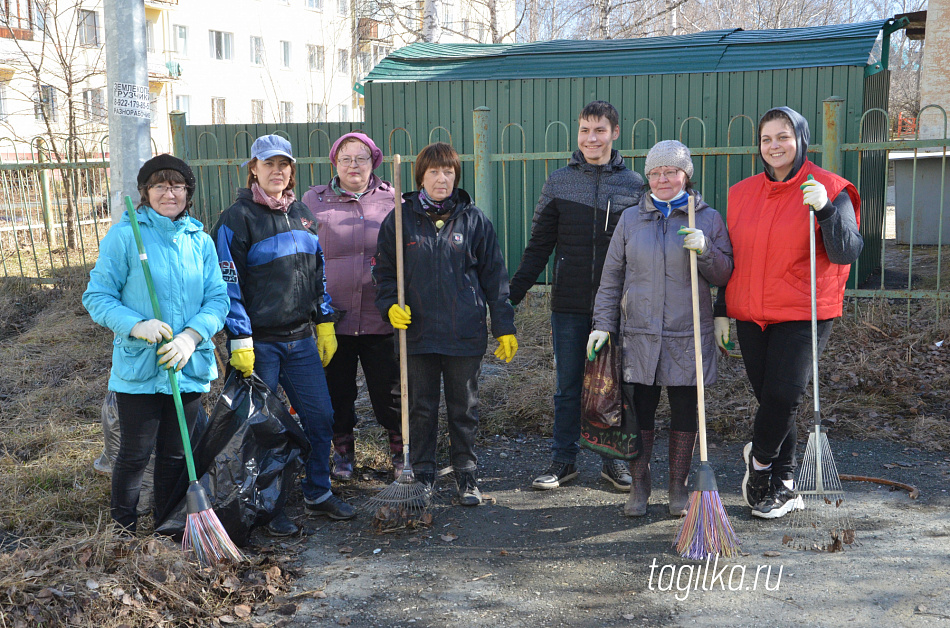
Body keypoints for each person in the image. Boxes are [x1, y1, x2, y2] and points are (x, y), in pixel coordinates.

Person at [716, 106, 862, 520]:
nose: (774, 146)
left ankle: (759, 465)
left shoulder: (830, 187)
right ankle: (784, 483)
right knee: (772, 403)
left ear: (800, 138)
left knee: (784, 395)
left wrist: (826, 211)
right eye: (766, 139)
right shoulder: (742, 193)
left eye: (783, 136)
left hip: (804, 311)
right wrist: (721, 309)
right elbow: (732, 258)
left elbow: (847, 251)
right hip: (750, 311)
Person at [212, 134, 356, 535]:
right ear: (253, 169)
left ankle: (317, 491)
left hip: (301, 341)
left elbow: (317, 272)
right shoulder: (235, 220)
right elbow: (227, 285)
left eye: (284, 165)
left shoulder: (303, 214)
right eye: (269, 164)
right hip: (260, 345)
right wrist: (239, 340)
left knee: (320, 417)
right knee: (261, 429)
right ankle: (267, 508)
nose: (278, 171)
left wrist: (324, 320)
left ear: (292, 170)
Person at [83, 154, 229, 534]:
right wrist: (136, 325)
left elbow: (218, 299)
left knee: (177, 455)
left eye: (177, 185)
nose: (169, 192)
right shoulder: (126, 234)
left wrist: (190, 336)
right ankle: (123, 533)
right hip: (141, 366)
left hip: (188, 364)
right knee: (134, 454)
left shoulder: (200, 240)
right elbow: (97, 296)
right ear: (145, 192)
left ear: (188, 193)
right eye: (159, 185)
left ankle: (166, 529)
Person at [588, 140, 733, 517]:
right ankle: (640, 485)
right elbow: (611, 279)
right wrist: (602, 325)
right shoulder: (631, 219)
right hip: (639, 335)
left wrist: (706, 251)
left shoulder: (707, 218)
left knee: (686, 411)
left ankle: (677, 487)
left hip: (688, 335)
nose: (663, 179)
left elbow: (725, 275)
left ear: (686, 175)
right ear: (648, 176)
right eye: (656, 172)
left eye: (672, 171)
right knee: (640, 411)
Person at [508, 100, 645, 492]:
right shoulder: (559, 182)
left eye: (599, 130)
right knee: (568, 387)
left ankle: (611, 462)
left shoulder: (634, 185)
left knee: (614, 386)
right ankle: (563, 460)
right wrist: (511, 297)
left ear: (615, 133)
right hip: (568, 305)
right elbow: (538, 246)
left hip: (616, 308)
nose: (591, 138)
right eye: (585, 130)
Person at [373, 142, 518, 506]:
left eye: (448, 172)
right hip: (417, 332)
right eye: (434, 172)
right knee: (420, 406)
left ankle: (466, 473)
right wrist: (390, 305)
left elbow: (495, 278)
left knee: (463, 405)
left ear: (456, 176)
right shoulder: (399, 218)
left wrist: (504, 325)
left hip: (462, 330)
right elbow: (384, 272)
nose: (442, 178)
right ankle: (422, 473)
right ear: (420, 176)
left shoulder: (474, 220)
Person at [302, 132, 402, 481]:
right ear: (335, 163)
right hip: (333, 317)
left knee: (389, 392)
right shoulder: (314, 201)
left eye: (361, 158)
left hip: (381, 315)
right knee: (337, 392)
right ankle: (343, 455)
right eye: (345, 158)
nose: (353, 165)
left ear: (373, 161)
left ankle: (400, 453)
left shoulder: (392, 199)